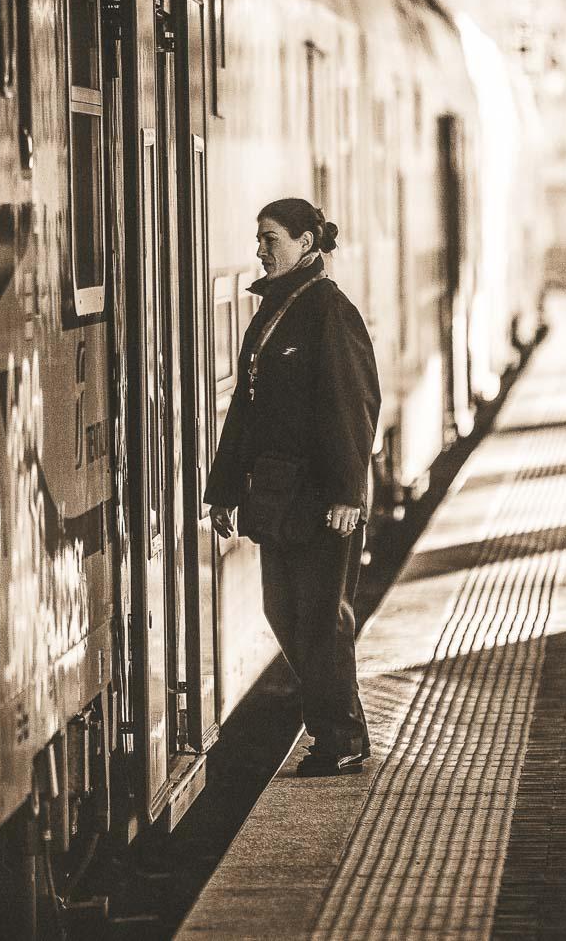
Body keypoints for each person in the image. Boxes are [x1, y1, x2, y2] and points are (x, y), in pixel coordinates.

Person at [205, 198, 381, 776]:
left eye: (271, 238)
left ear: (306, 244)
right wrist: (224, 488)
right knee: (282, 610)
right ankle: (336, 720)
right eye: (259, 238)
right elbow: (245, 413)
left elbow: (353, 405)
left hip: (324, 495)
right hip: (280, 495)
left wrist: (349, 495)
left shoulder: (329, 311)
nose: (261, 249)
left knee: (323, 618)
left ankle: (340, 737)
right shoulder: (275, 311)